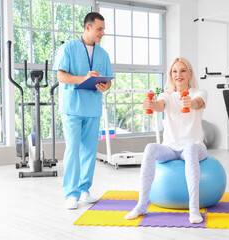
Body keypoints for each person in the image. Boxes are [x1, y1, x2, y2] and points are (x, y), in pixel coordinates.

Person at [125, 57, 208, 224]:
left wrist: (190, 103)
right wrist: (150, 104)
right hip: (171, 148)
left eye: (183, 70)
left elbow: (198, 103)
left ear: (189, 73)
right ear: (171, 75)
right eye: (174, 71)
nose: (179, 74)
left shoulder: (199, 93)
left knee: (191, 147)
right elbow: (159, 105)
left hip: (194, 146)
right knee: (150, 148)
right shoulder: (167, 95)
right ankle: (141, 205)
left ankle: (193, 209)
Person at [52, 12, 114, 210]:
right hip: (72, 107)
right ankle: (71, 193)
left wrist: (106, 86)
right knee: (73, 149)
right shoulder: (68, 48)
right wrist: (83, 79)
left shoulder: (103, 54)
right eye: (99, 29)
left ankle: (84, 189)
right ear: (87, 28)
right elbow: (61, 76)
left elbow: (108, 80)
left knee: (89, 151)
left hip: (93, 107)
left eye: (103, 29)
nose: (102, 33)